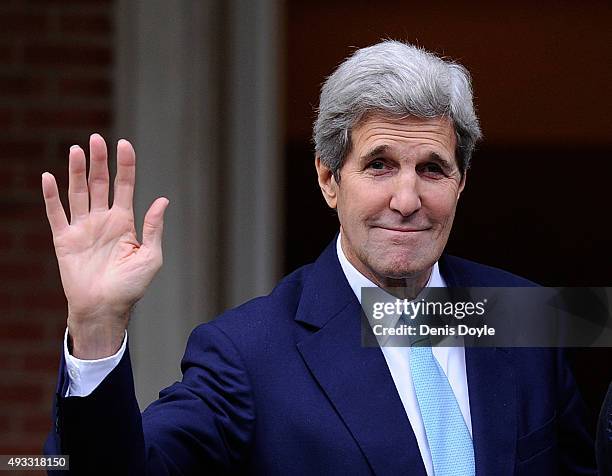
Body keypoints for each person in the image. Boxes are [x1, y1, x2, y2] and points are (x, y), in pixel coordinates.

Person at [43, 40, 596, 475]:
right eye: (379, 165)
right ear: (329, 179)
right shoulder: (249, 353)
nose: (407, 201)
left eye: (432, 169)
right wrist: (96, 330)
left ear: (461, 182)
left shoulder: (520, 312)